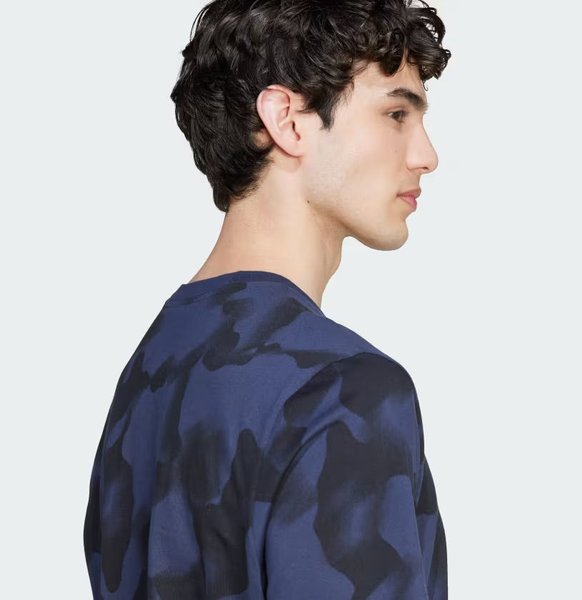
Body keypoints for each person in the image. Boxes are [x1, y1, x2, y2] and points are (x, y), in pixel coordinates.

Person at [83, 0, 452, 598]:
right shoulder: (345, 390)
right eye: (395, 114)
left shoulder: (150, 370)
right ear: (287, 121)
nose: (426, 156)